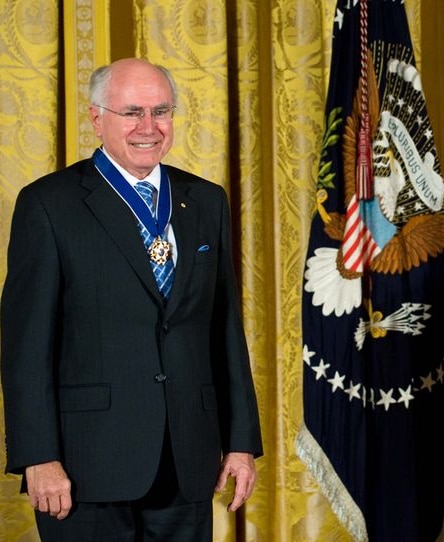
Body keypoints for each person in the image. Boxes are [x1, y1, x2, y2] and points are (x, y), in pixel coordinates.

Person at [0, 58, 263, 541]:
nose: (149, 127)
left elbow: (224, 330)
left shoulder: (205, 200)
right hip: (85, 467)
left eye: (161, 111)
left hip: (187, 459)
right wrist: (38, 456)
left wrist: (241, 443)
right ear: (97, 118)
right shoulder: (49, 204)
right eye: (132, 113)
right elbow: (25, 347)